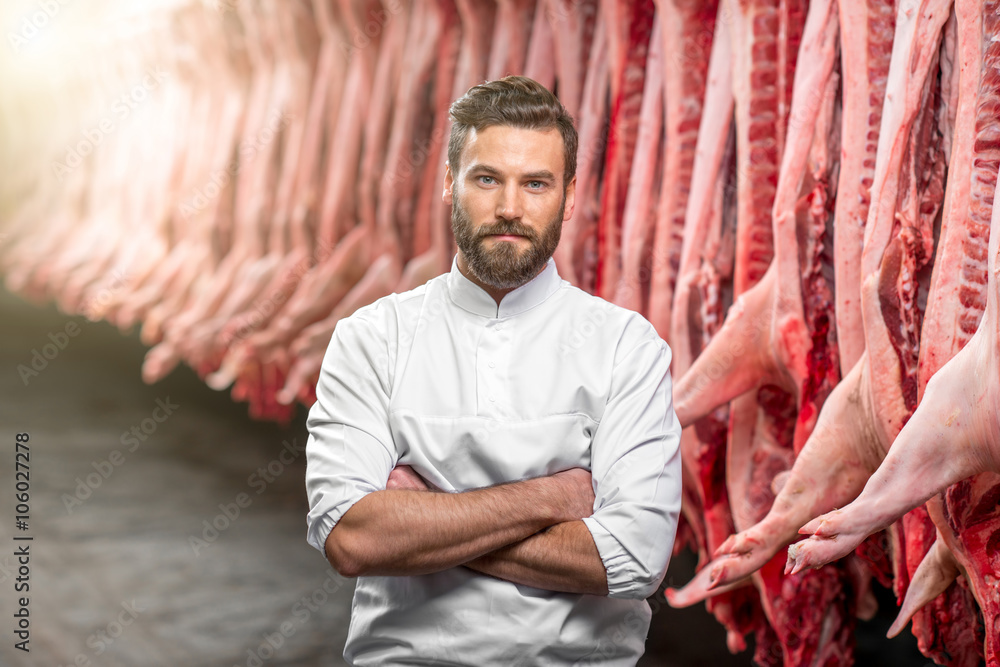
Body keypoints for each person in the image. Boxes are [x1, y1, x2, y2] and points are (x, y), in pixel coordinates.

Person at [304, 75, 682, 666]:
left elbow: (634, 558)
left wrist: (422, 517)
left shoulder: (626, 347)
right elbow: (351, 539)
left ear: (570, 195)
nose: (510, 207)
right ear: (450, 181)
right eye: (487, 179)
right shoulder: (371, 338)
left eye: (536, 183)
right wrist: (551, 496)